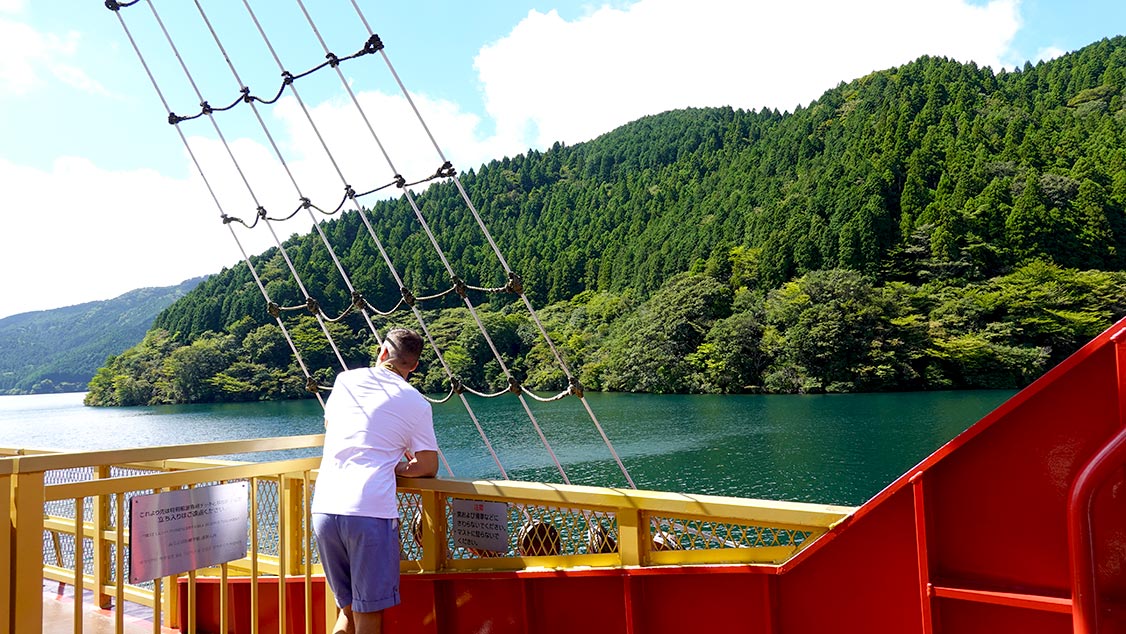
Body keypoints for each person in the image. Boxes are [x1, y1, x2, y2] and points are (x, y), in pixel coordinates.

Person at [311, 328, 439, 634]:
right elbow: (428, 465)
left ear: (382, 352)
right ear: (414, 366)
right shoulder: (417, 402)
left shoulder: (345, 380)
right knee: (369, 615)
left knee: (346, 612)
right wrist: (396, 468)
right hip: (369, 512)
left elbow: (331, 423)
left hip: (325, 508)